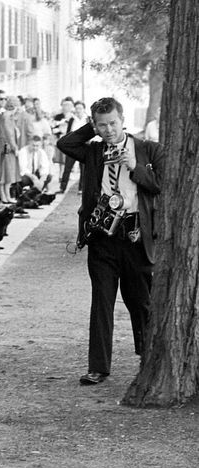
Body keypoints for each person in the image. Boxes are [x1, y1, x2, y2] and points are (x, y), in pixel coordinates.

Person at [57, 97, 164, 385]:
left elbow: (161, 186)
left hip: (136, 236)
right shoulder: (93, 151)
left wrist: (135, 168)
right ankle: (98, 367)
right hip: (103, 236)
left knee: (140, 301)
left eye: (113, 123)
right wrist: (91, 129)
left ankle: (148, 359)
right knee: (101, 302)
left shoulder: (146, 149)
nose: (109, 130)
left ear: (123, 119)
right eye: (102, 125)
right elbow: (65, 144)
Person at [59, 100, 90, 193]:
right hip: (72, 147)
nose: (78, 110)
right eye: (76, 108)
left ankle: (82, 188)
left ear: (84, 109)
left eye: (80, 108)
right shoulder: (72, 119)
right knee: (67, 167)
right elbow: (68, 133)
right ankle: (62, 187)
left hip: (84, 146)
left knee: (83, 169)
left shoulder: (87, 119)